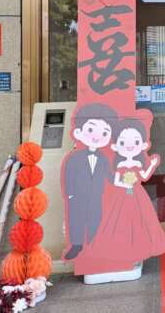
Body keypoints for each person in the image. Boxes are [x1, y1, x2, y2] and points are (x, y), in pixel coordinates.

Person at [86, 118, 165, 264]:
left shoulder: (137, 163)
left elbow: (144, 176)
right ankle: (122, 250)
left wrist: (152, 164)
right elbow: (115, 180)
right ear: (115, 146)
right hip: (123, 196)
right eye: (123, 142)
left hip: (136, 195)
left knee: (138, 221)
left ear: (143, 144)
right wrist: (126, 184)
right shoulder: (118, 164)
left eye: (136, 142)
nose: (130, 146)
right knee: (121, 221)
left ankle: (136, 249)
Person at [62, 103, 116, 261]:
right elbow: (68, 176)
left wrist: (126, 182)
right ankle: (76, 245)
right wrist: (70, 195)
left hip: (96, 196)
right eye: (91, 130)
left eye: (105, 132)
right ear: (78, 132)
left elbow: (110, 176)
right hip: (77, 196)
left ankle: (93, 243)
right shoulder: (74, 158)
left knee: (95, 219)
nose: (97, 136)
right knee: (76, 220)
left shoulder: (103, 158)